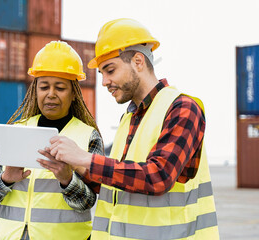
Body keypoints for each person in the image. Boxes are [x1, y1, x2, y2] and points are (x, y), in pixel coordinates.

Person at [38, 18, 219, 239]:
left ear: (138, 61)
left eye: (110, 70)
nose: (104, 82)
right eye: (102, 74)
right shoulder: (130, 117)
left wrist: (85, 159)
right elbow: (115, 184)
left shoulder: (182, 108)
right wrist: (73, 168)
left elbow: (158, 176)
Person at [0, 40, 104, 240]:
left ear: (74, 94)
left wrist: (67, 180)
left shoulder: (88, 137)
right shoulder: (15, 131)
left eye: (60, 88)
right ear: (35, 90)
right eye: (44, 87)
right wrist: (6, 179)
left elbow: (88, 201)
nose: (51, 94)